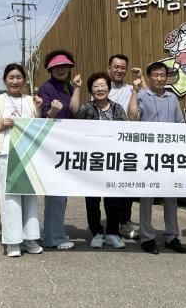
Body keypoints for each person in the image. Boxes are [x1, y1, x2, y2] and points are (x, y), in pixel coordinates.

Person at [0, 64, 43, 257]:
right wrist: (0, 125)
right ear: (5, 80)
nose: (15, 81)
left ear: (24, 80)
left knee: (29, 198)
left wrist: (38, 109)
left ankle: (30, 238)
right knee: (9, 198)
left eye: (18, 77)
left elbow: (38, 126)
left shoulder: (31, 100)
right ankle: (13, 241)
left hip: (27, 155)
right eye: (11, 77)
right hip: (5, 154)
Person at [127, 61, 186, 255]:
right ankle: (147, 237)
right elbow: (133, 117)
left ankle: (171, 236)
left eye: (162, 75)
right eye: (156, 75)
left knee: (171, 197)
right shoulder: (142, 95)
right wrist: (134, 92)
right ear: (149, 77)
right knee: (147, 197)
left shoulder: (172, 98)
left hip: (169, 156)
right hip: (148, 155)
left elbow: (180, 124)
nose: (160, 79)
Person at [72, 71, 127, 250]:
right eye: (96, 86)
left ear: (109, 88)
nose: (100, 89)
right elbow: (74, 113)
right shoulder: (87, 108)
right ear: (91, 90)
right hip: (92, 162)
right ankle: (96, 233)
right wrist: (77, 88)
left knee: (113, 201)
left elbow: (125, 132)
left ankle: (112, 233)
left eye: (103, 85)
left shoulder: (118, 108)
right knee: (92, 200)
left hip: (113, 162)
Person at [38, 49, 76, 250]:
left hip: (65, 143)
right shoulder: (47, 88)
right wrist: (52, 110)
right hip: (53, 144)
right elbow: (44, 115)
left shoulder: (69, 87)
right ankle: (54, 237)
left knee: (60, 191)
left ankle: (52, 230)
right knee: (56, 191)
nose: (61, 70)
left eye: (65, 67)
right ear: (50, 70)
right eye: (56, 67)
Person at [107, 54, 144, 240]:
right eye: (116, 67)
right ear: (109, 69)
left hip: (128, 144)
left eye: (123, 67)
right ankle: (112, 224)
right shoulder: (102, 88)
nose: (119, 70)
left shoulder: (131, 88)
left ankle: (125, 222)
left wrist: (142, 78)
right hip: (108, 144)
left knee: (127, 186)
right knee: (111, 186)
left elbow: (148, 97)